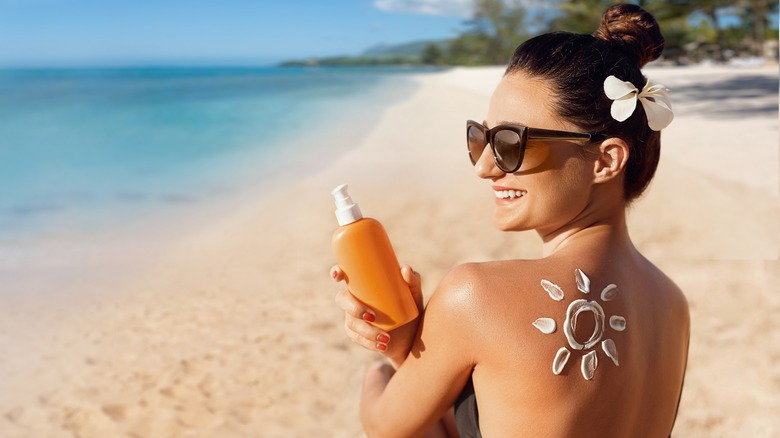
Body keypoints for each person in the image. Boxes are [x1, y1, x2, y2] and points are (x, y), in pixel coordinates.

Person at [331, 4, 689, 437]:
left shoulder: (477, 297)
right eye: (480, 137)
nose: (484, 166)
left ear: (606, 160)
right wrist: (415, 348)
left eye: (511, 143)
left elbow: (386, 425)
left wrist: (385, 369)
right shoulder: (672, 305)